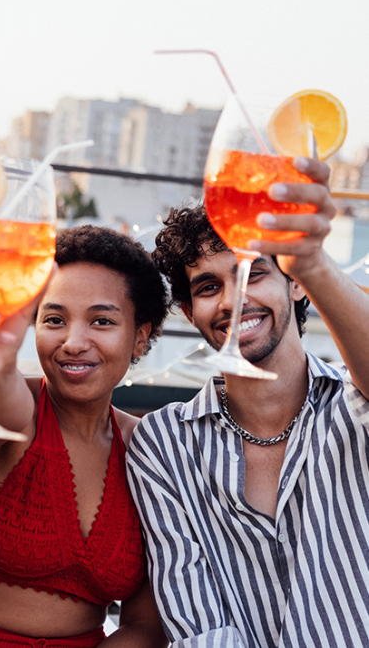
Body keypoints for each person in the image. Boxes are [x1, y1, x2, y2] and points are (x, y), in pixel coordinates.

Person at [126, 156, 369, 647]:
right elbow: (199, 625)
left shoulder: (354, 404)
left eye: (253, 273)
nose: (232, 300)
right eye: (208, 286)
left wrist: (314, 260)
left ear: (296, 285)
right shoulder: (164, 444)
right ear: (191, 313)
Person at [0, 225, 169, 648]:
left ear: (140, 336)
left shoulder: (149, 451)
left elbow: (145, 625)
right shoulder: (13, 408)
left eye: (101, 320)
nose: (73, 342)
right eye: (54, 320)